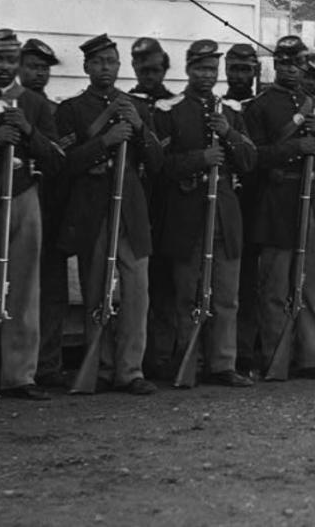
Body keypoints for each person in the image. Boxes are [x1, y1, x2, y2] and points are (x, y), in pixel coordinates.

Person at [55, 34, 163, 395]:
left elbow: (157, 163)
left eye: (111, 62)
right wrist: (105, 140)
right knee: (96, 289)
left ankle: (130, 369)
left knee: (137, 292)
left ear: (121, 67)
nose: (105, 68)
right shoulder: (71, 109)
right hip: (93, 208)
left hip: (130, 208)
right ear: (86, 67)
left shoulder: (137, 106)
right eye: (98, 62)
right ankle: (99, 366)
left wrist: (140, 128)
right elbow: (64, 164)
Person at [244, 35, 315, 380]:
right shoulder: (259, 107)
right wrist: (294, 148)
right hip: (280, 199)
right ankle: (278, 356)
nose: (292, 69)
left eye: (298, 63)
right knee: (276, 286)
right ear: (275, 65)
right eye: (285, 63)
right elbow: (253, 157)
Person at [155, 39, 256, 387]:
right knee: (188, 294)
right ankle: (190, 361)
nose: (206, 75)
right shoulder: (169, 110)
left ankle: (223, 364)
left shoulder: (231, 111)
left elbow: (248, 159)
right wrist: (199, 160)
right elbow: (159, 165)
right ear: (188, 69)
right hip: (187, 212)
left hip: (224, 212)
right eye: (200, 69)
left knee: (226, 295)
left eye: (211, 70)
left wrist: (228, 134)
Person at [0, 29, 63, 400]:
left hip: (24, 196)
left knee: (24, 288)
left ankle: (19, 375)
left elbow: (57, 159)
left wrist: (27, 131)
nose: (4, 66)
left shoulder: (35, 104)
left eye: (10, 59)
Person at [19, 38, 70, 388]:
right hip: (18, 207)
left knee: (52, 290)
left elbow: (65, 158)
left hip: (51, 209)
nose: (39, 73)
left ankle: (48, 365)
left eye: (44, 67)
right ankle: (13, 366)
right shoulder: (8, 106)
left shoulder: (56, 112)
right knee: (18, 287)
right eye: (32, 66)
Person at [127, 37, 178, 380]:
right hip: (135, 201)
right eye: (143, 69)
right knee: (135, 284)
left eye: (156, 69)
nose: (150, 75)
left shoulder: (175, 105)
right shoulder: (125, 103)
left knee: (166, 283)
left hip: (169, 202)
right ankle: (133, 358)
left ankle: (162, 356)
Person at [224, 44, 264, 377]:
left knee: (250, 285)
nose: (239, 75)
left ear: (256, 72)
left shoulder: (258, 107)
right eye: (234, 68)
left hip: (255, 206)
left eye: (245, 69)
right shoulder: (219, 107)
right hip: (223, 203)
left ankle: (247, 352)